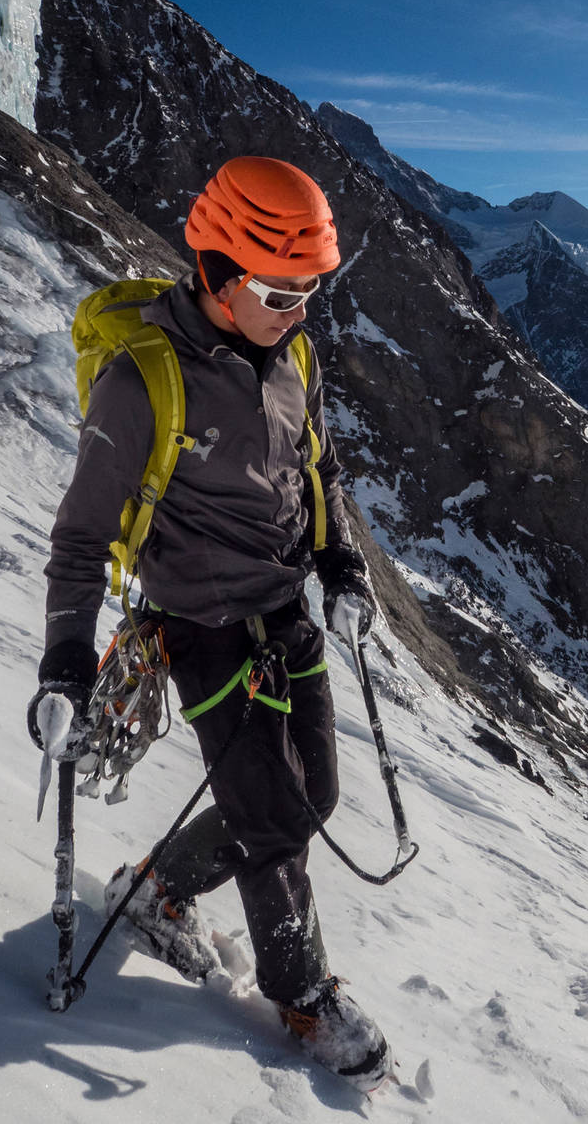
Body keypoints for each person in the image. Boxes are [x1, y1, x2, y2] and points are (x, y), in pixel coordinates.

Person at [28, 156, 388, 1085]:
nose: (299, 309)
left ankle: (154, 892)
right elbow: (80, 537)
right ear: (219, 275)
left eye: (314, 290)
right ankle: (303, 996)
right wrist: (65, 661)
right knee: (272, 820)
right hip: (200, 626)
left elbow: (319, 471)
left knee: (313, 799)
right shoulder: (142, 379)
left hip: (285, 613)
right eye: (279, 291)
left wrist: (340, 562)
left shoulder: (292, 354)